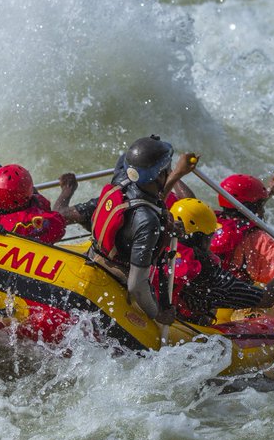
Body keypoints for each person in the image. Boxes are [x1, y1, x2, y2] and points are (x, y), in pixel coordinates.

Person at [59, 136, 197, 327]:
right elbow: (136, 285)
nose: (168, 172)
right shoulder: (147, 222)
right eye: (167, 169)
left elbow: (134, 168)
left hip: (93, 259)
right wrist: (157, 314)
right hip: (115, 278)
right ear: (158, 176)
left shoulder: (122, 181)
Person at [163, 198, 274, 325]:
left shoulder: (157, 244)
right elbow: (266, 298)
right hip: (185, 328)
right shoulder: (209, 275)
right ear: (203, 239)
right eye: (211, 236)